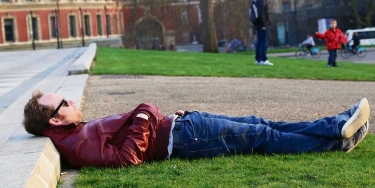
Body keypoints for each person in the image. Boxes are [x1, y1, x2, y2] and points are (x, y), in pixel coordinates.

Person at [23, 90, 370, 169]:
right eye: (64, 102)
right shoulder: (75, 144)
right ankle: (336, 141)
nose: (71, 102)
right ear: (54, 119)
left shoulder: (72, 134)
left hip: (182, 126)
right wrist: (145, 114)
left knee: (261, 124)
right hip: (185, 138)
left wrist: (151, 118)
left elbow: (125, 136)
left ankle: (336, 125)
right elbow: (127, 157)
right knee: (263, 137)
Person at [253, 0, 273, 66]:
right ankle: (264, 59)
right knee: (264, 42)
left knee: (259, 42)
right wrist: (264, 24)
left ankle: (258, 59)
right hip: (262, 24)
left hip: (258, 24)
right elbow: (261, 13)